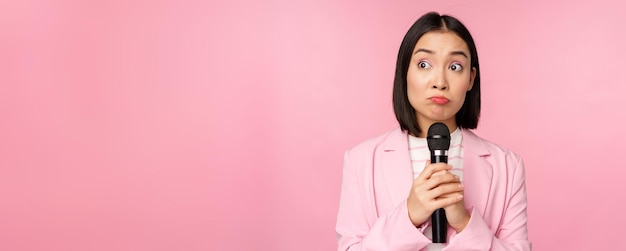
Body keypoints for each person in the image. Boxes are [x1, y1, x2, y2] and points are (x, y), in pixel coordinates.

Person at [335, 12, 531, 251]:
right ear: (404, 71)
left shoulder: (508, 166)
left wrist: (464, 223)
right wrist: (409, 215)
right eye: (424, 64)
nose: (439, 81)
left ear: (471, 79)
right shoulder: (361, 161)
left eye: (455, 66)